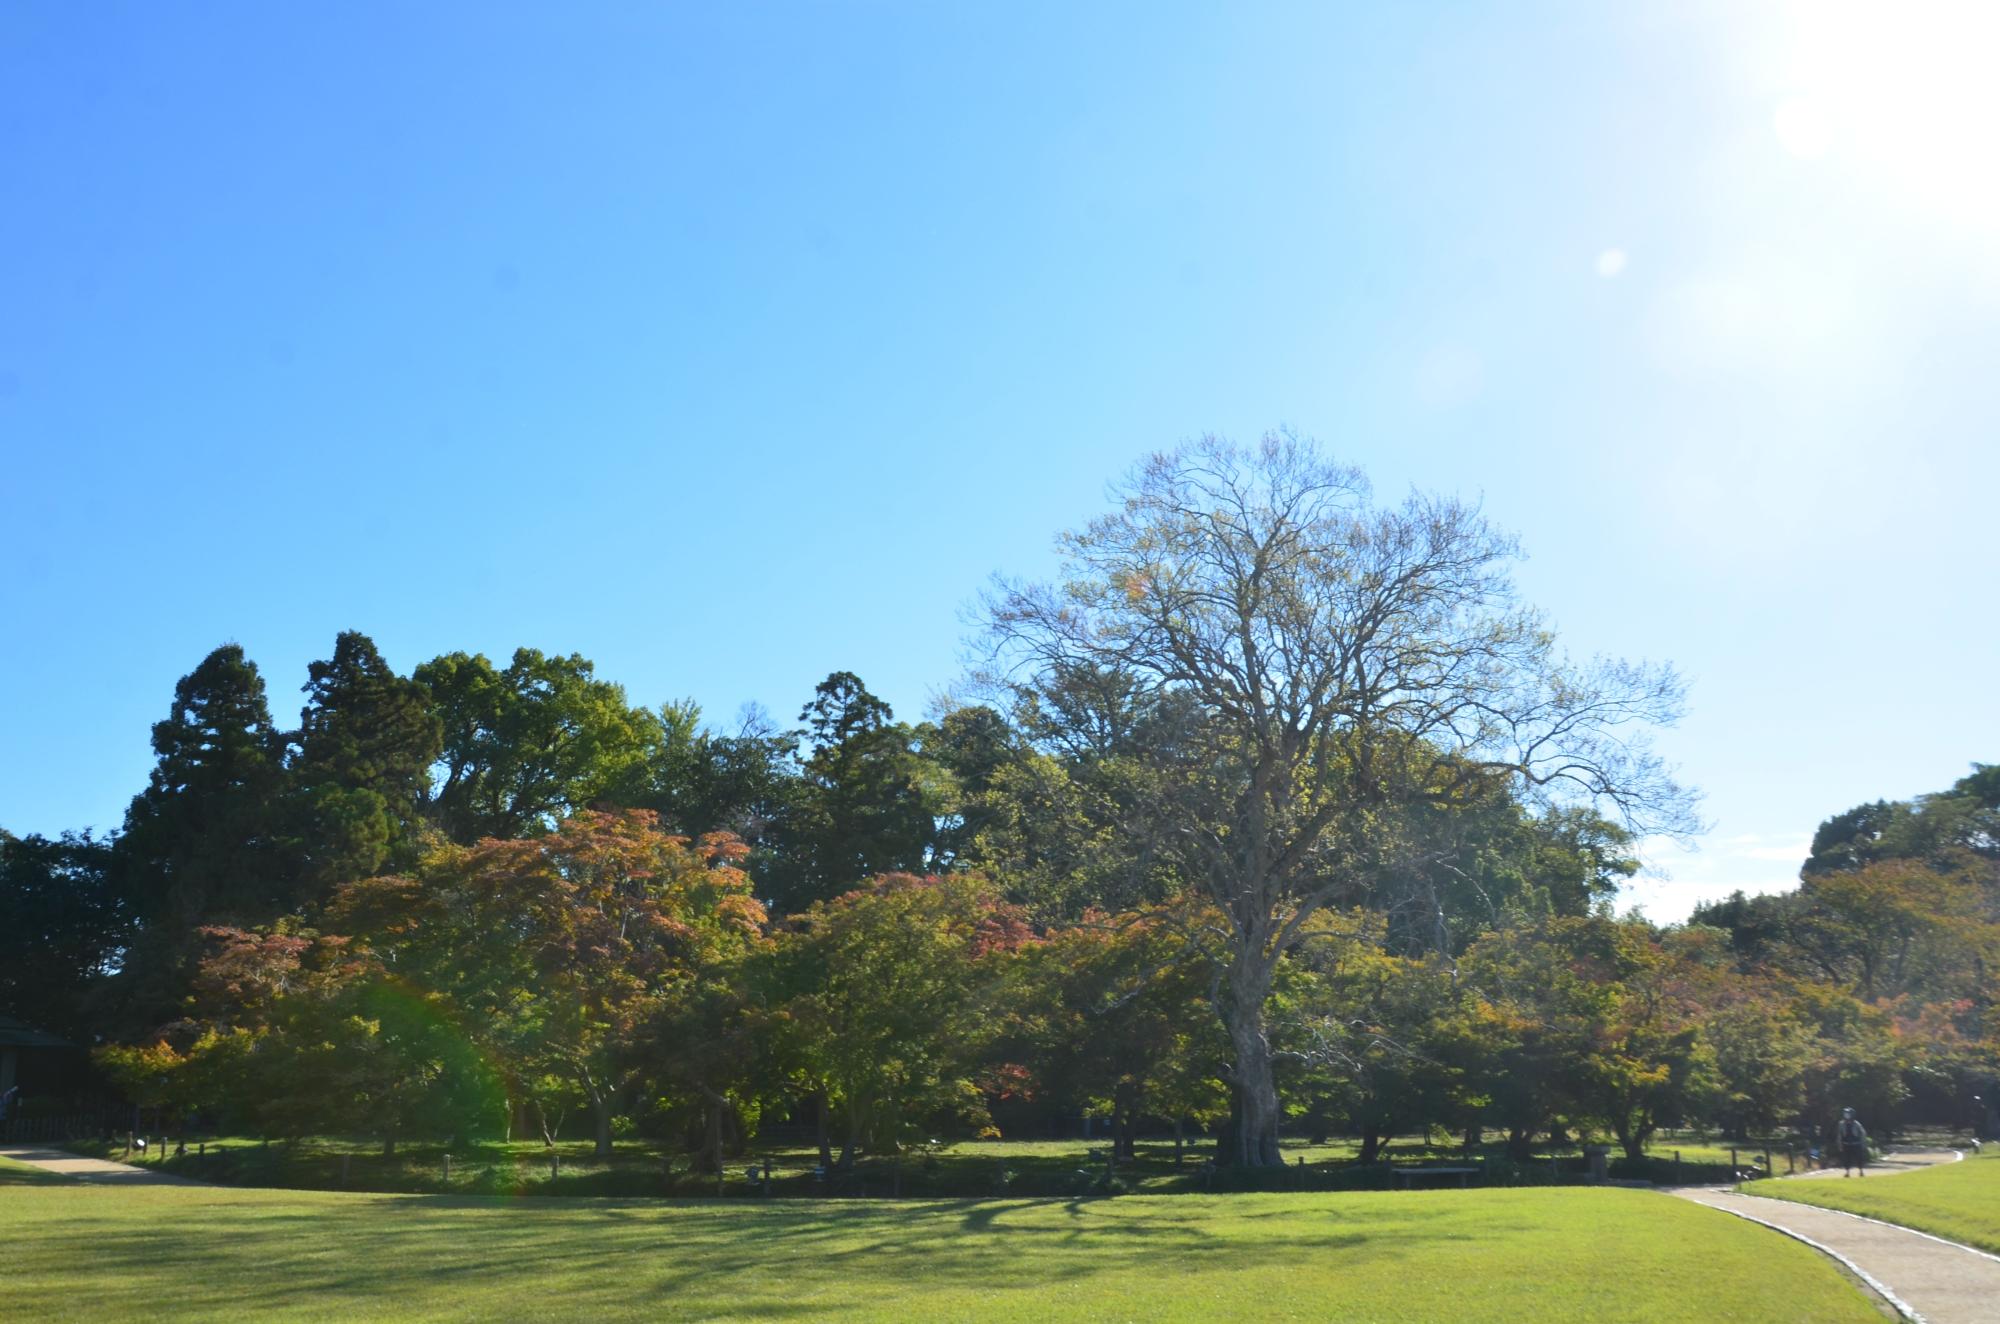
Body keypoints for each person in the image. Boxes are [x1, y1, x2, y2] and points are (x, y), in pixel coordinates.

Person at [1837, 1107, 1868, 1177]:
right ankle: (1847, 1172)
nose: (1846, 1116)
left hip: (1856, 1144)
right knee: (1846, 1159)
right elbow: (1839, 1135)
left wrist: (1863, 1144)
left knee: (1859, 1158)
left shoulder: (1857, 1124)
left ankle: (1861, 1171)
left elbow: (1863, 1134)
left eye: (1848, 1114)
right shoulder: (1841, 1124)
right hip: (1846, 1144)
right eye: (1845, 1114)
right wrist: (1840, 1145)